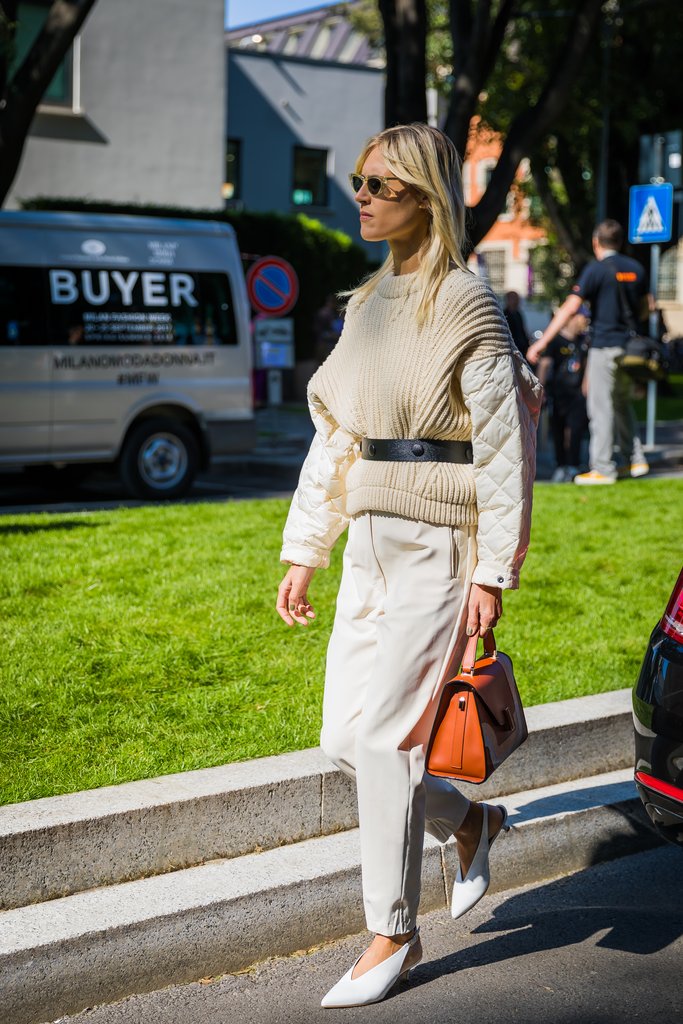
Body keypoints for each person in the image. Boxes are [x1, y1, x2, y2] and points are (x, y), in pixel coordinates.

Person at [276, 123, 542, 1009]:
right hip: (369, 542)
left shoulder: (468, 303)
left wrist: (491, 574)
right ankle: (470, 821)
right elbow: (337, 438)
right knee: (342, 741)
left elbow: (502, 450)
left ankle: (392, 929)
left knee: (388, 739)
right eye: (358, 181)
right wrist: (305, 550)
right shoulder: (363, 306)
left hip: (441, 544)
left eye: (379, 186)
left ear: (424, 198)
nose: (361, 196)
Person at [526, 220, 650, 484]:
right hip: (629, 348)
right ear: (620, 242)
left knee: (601, 407)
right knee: (622, 403)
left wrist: (542, 342)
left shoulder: (596, 270)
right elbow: (646, 306)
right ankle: (634, 460)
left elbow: (571, 307)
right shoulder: (637, 269)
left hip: (604, 346)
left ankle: (603, 468)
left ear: (596, 242)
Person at [538, 307, 589, 482]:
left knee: (575, 430)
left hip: (577, 395)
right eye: (583, 317)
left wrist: (586, 387)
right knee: (558, 430)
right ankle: (561, 465)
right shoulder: (555, 341)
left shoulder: (583, 341)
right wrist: (540, 388)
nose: (585, 321)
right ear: (572, 317)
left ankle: (573, 465)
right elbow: (544, 364)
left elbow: (586, 364)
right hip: (559, 393)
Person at [503, 290, 530, 357]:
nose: (517, 301)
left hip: (522, 347)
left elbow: (522, 330)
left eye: (517, 298)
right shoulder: (504, 314)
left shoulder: (518, 314)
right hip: (511, 348)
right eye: (514, 298)